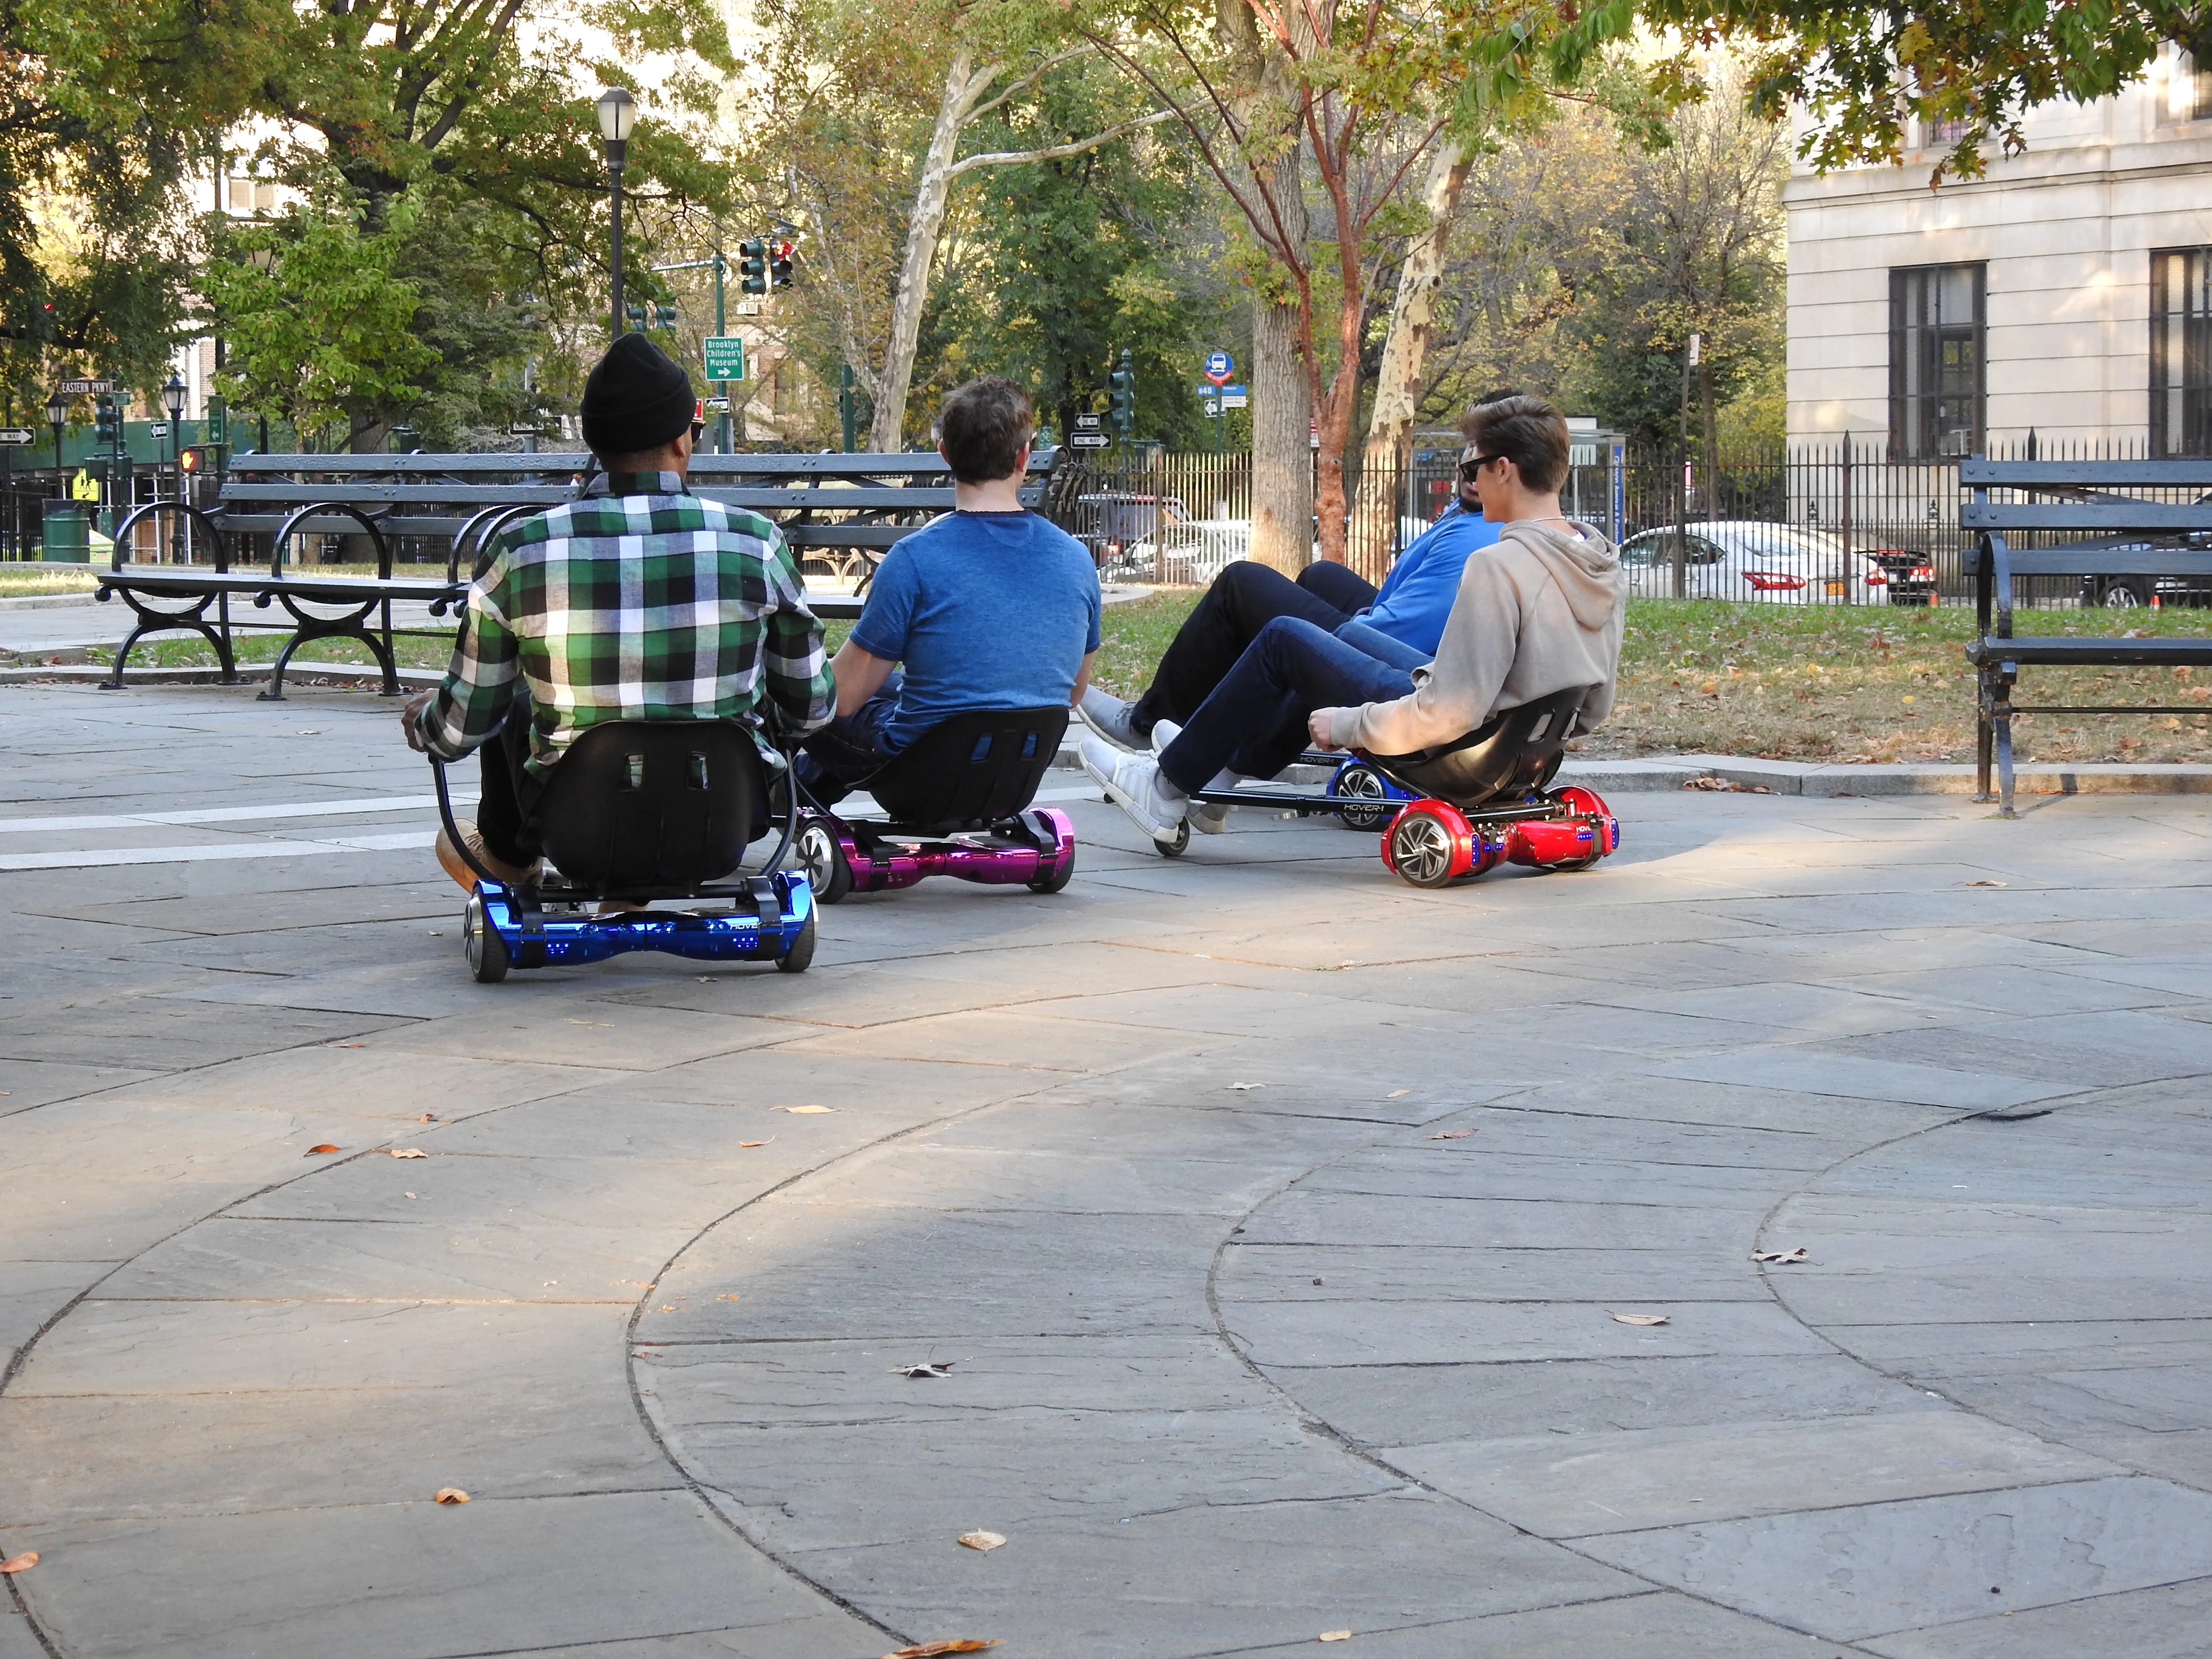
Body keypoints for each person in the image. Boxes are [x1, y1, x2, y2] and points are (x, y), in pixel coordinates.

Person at [1083, 392, 1625, 840]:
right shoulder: (1598, 560)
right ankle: (1216, 766)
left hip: (1463, 751)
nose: (1471, 479)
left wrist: (1349, 723)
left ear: (1503, 470)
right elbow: (1593, 708)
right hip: (1522, 754)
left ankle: (1164, 788)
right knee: (1344, 633)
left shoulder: (1498, 566)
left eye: (1472, 467)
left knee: (1285, 637)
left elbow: (1449, 713)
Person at [401, 332, 833, 890]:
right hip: (722, 819)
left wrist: (426, 725)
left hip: (574, 821)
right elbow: (812, 709)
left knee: (515, 701)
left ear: (595, 442)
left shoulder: (521, 548)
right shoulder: (756, 542)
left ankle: (508, 862)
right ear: (681, 440)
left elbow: (461, 728)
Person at [1076, 390, 1521, 750]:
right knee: (1321, 577)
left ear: (1507, 469)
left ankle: (1149, 726)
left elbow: (1398, 637)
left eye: (1484, 458)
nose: (1469, 466)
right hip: (1415, 644)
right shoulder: (1479, 516)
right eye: (1470, 447)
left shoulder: (1475, 538)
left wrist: (1327, 637)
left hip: (1402, 667)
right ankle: (1216, 729)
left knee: (1242, 586)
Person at [796, 375, 1101, 803]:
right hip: (1018, 772)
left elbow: (840, 699)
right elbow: (1073, 691)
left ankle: (778, 799)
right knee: (891, 687)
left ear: (945, 453)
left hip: (921, 775)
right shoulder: (1077, 559)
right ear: (1024, 456)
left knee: (798, 694)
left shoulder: (915, 559)